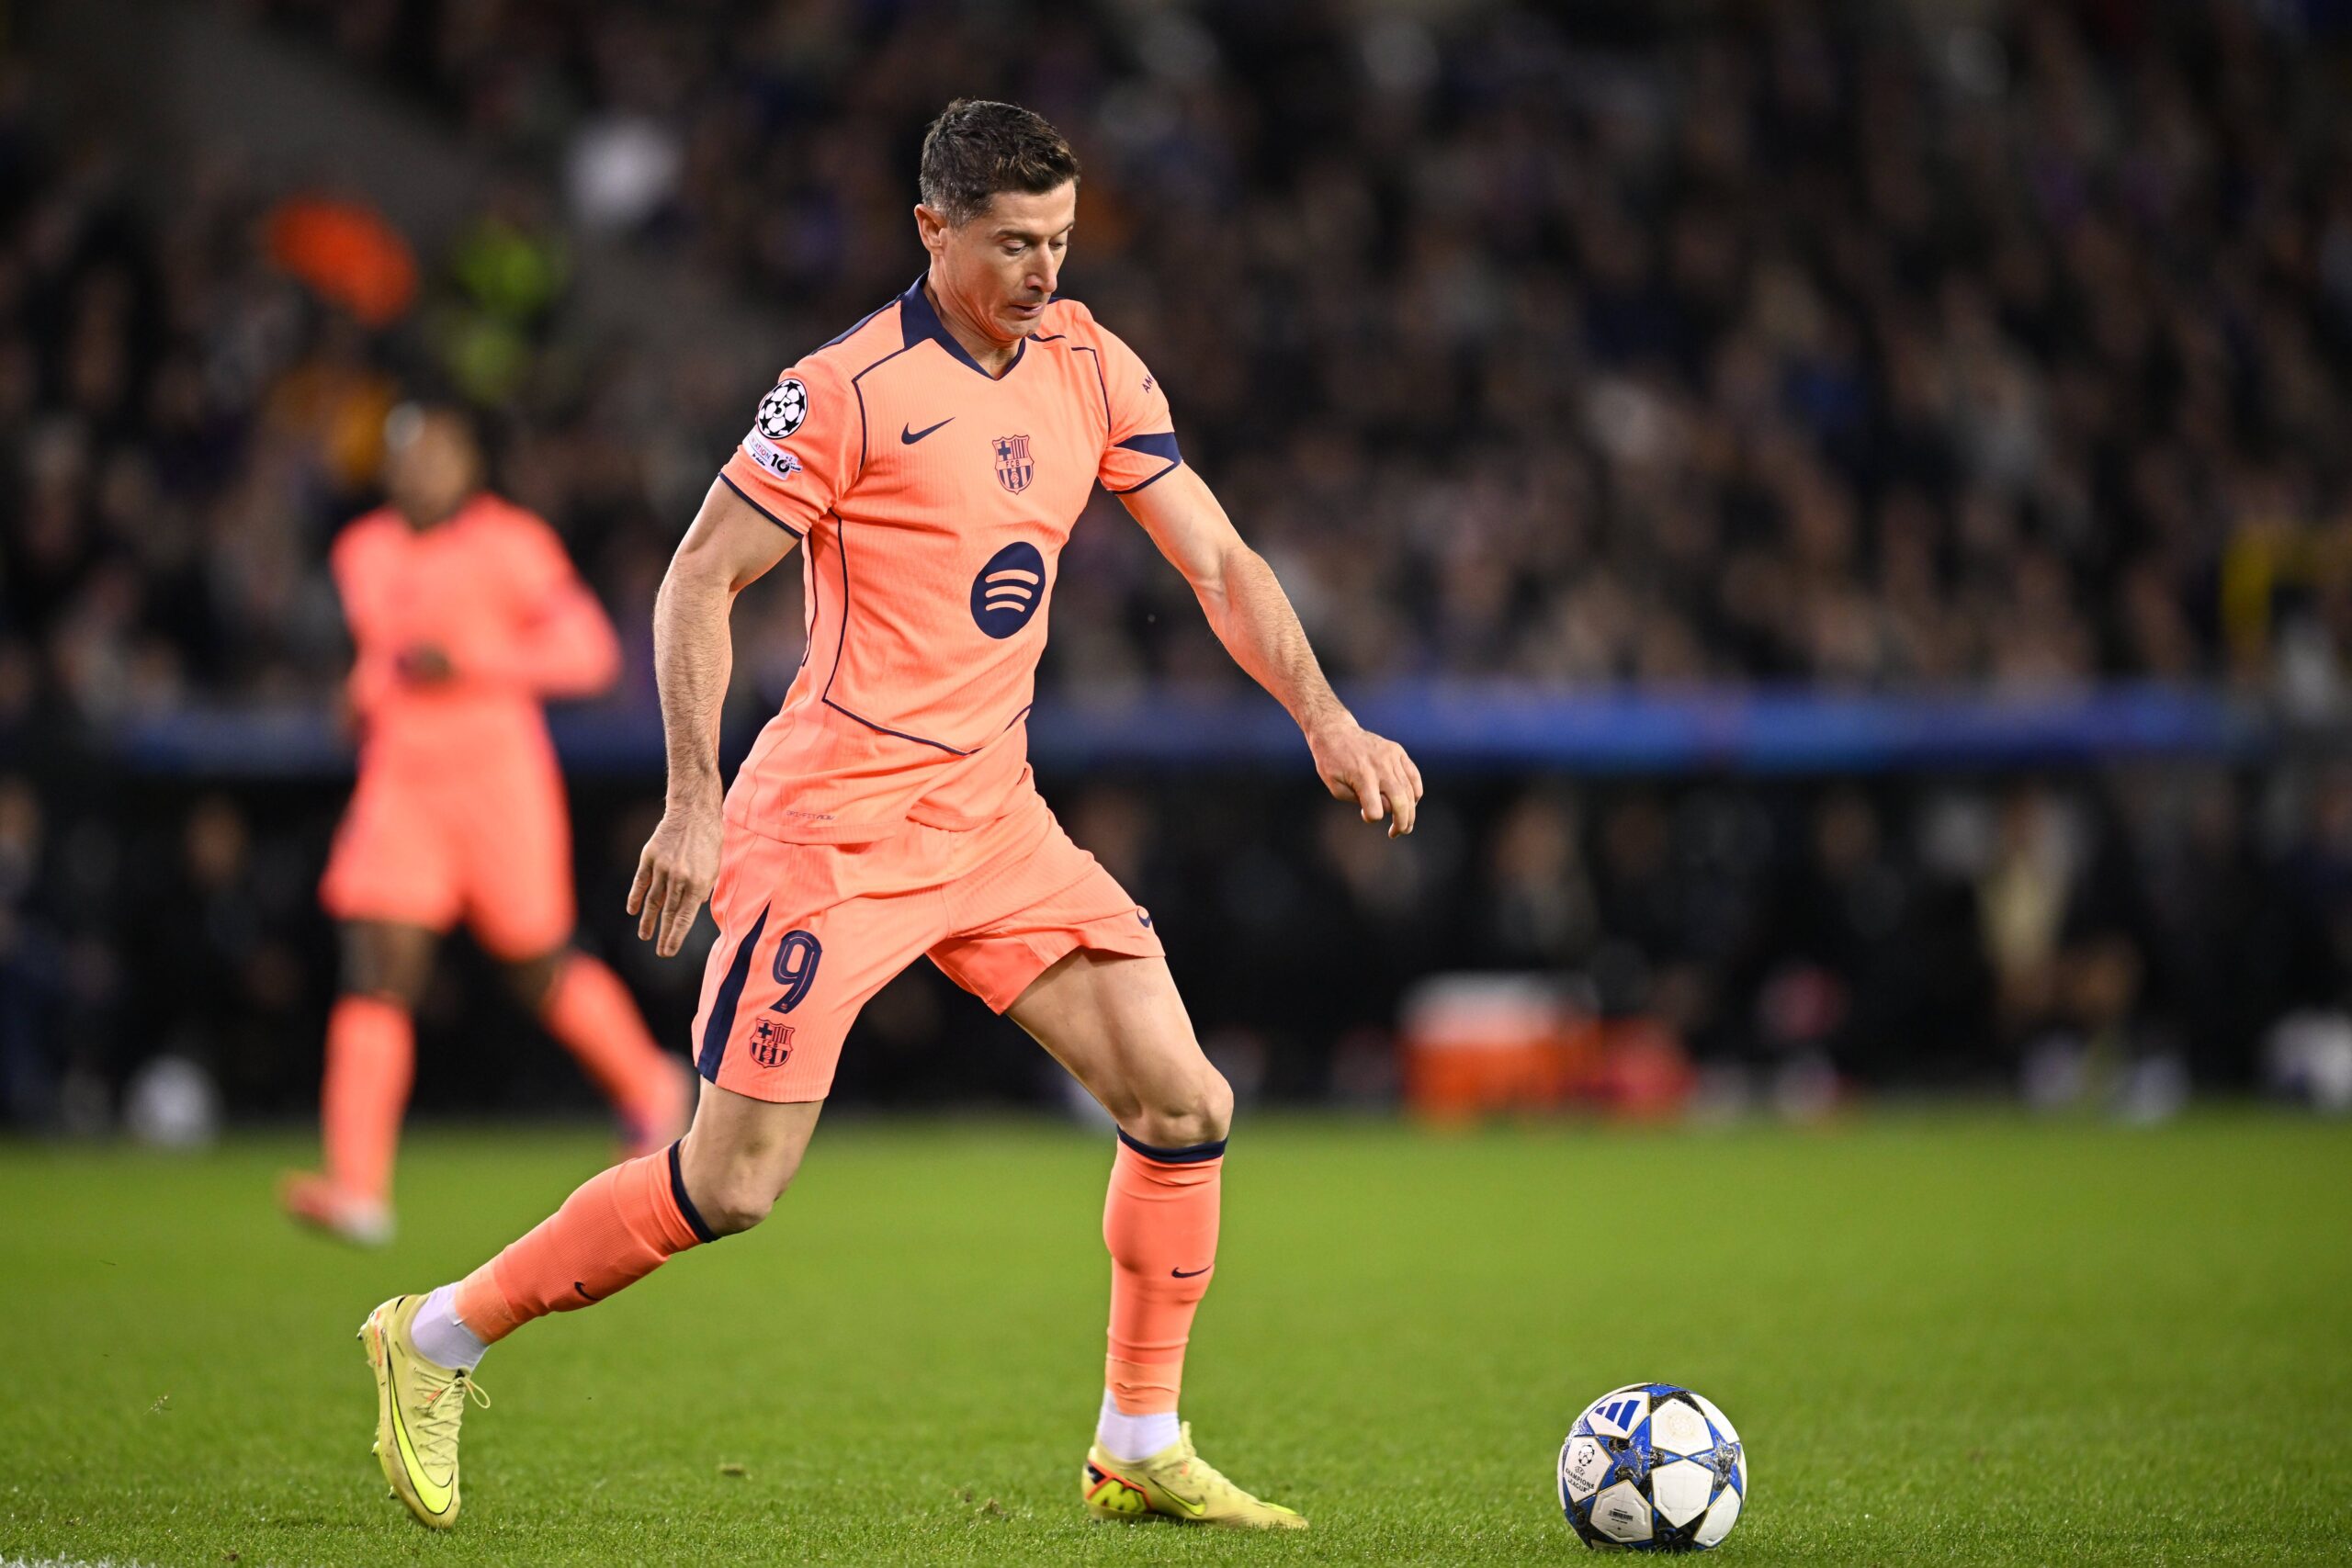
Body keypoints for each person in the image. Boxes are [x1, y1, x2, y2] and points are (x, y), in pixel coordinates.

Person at [356, 100, 1422, 1531]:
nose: (1045, 269)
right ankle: (432, 1334)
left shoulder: (1091, 361)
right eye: (1013, 243)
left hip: (994, 817)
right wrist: (693, 795)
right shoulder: (846, 387)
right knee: (731, 1184)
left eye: (1060, 237)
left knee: (1185, 1103)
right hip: (833, 829)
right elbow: (693, 579)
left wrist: (1328, 715)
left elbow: (1220, 561)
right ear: (934, 227)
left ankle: (1138, 1435)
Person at [282, 404, 689, 1245]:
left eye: (438, 455)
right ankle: (359, 1187)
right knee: (377, 957)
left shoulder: (512, 544)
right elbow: (379, 652)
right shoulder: (362, 551)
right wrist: (362, 696)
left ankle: (651, 1086)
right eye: (407, 458)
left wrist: (470, 663)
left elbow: (591, 654)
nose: (422, 470)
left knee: (533, 963)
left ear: (467, 463)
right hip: (401, 781)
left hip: (498, 783)